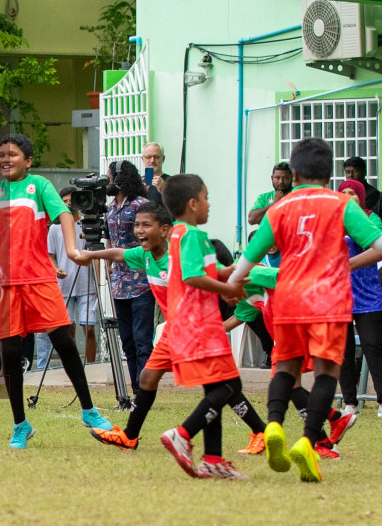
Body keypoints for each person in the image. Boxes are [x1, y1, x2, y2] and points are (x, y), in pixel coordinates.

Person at [229, 137, 382, 483]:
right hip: (329, 300)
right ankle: (307, 440)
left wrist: (233, 282)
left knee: (286, 369)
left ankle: (274, 425)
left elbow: (251, 254)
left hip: (288, 298)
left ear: (295, 170)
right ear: (329, 170)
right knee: (326, 374)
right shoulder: (341, 204)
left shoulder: (280, 208)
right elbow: (379, 243)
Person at [0, 132, 128, 449]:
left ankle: (89, 410)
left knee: (63, 338)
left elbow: (63, 215)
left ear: (28, 161)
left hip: (39, 278)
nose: (5, 158)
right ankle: (21, 425)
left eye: (13, 154)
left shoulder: (40, 186)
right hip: (3, 284)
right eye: (1, 154)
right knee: (11, 354)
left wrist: (72, 250)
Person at [148, 174, 252, 480]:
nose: (209, 204)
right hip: (199, 323)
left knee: (215, 386)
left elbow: (200, 269)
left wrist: (227, 272)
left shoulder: (179, 234)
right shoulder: (194, 235)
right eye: (206, 198)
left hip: (188, 322)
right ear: (193, 204)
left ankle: (213, 459)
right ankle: (183, 433)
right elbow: (193, 277)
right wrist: (228, 290)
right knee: (230, 386)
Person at [76, 202, 185, 451]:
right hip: (174, 331)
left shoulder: (179, 257)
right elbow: (118, 254)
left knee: (221, 386)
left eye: (146, 225)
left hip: (192, 329)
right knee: (147, 377)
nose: (139, 230)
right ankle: (129, 436)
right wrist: (90, 255)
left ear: (165, 230)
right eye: (137, 225)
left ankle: (258, 431)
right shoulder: (146, 256)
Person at [336, 180, 382, 418]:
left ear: (361, 197)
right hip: (339, 295)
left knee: (373, 347)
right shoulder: (332, 221)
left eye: (353, 193)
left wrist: (346, 223)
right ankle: (349, 402)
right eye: (344, 193)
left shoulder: (372, 220)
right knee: (343, 350)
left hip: (368, 295)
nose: (349, 196)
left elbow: (368, 240)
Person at [105, 162, 155, 390]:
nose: (107, 181)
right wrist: (107, 266)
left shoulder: (141, 205)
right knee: (127, 340)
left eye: (109, 177)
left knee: (142, 339)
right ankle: (134, 388)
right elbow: (109, 239)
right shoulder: (110, 208)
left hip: (142, 281)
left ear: (119, 179)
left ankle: (144, 389)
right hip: (119, 283)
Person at [38, 187, 97, 367]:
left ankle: (91, 366)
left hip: (87, 285)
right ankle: (72, 366)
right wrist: (55, 269)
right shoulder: (55, 228)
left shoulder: (88, 225)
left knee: (89, 328)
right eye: (64, 201)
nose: (68, 204)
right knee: (67, 329)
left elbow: (96, 255)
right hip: (64, 286)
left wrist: (99, 283)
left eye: (71, 200)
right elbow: (50, 256)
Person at [246, 162, 292, 227]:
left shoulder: (297, 194)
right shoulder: (264, 197)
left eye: (285, 178)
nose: (281, 181)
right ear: (272, 178)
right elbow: (252, 219)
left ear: (291, 178)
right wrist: (274, 203)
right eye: (277, 178)